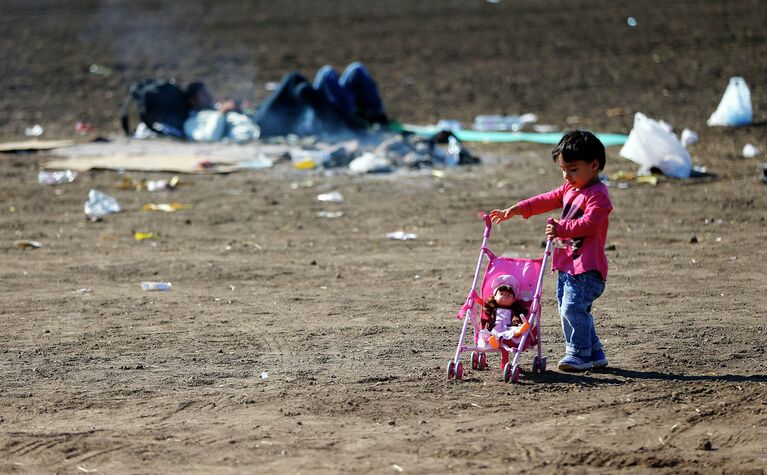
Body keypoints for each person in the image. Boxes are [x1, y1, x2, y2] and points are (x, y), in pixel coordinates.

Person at [489, 130, 612, 372]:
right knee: (572, 308)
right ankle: (595, 352)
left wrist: (560, 228)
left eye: (573, 169)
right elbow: (546, 199)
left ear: (594, 164)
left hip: (588, 268)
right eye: (563, 170)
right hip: (568, 265)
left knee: (572, 308)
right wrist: (517, 209)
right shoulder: (570, 188)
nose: (567, 176)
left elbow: (591, 224)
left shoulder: (598, 195)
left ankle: (578, 354)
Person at [253, 62, 388, 138]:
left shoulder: (263, 115)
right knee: (326, 73)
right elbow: (303, 92)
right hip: (323, 121)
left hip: (325, 114)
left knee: (355, 69)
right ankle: (354, 118)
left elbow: (303, 92)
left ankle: (376, 116)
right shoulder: (268, 121)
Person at [183, 82, 260, 143]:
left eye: (208, 92)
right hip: (248, 137)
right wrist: (222, 112)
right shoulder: (191, 123)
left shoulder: (215, 110)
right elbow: (211, 138)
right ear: (193, 101)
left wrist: (245, 110)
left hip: (258, 126)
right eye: (204, 94)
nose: (210, 96)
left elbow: (253, 113)